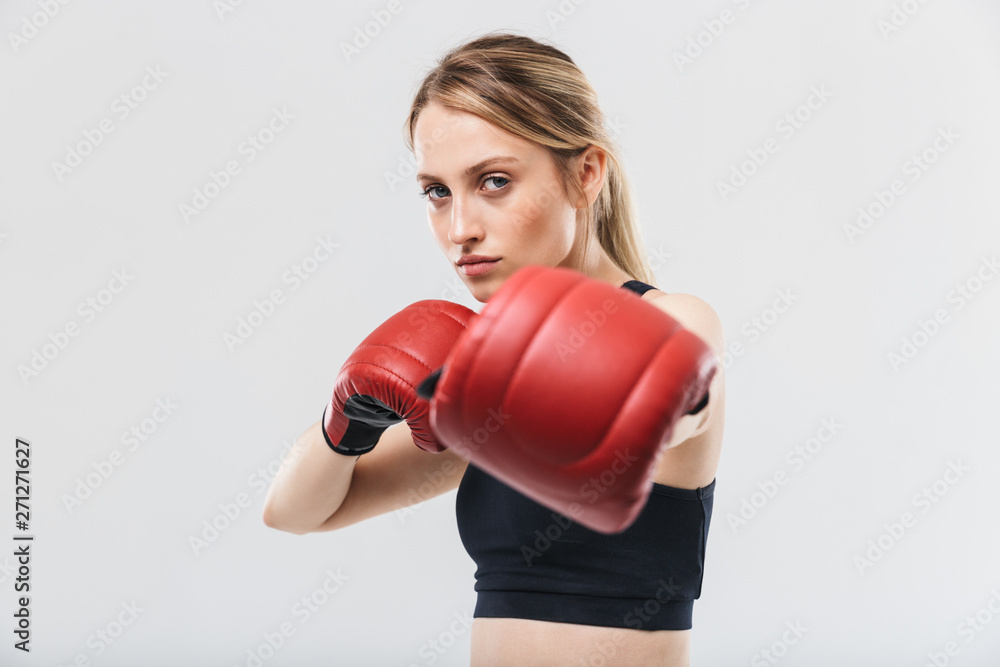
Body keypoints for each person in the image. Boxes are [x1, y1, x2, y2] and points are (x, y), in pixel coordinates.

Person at [263, 31, 726, 667]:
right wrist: (349, 421)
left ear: (585, 174)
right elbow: (295, 512)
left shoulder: (674, 319)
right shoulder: (482, 377)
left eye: (495, 181)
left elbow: (672, 405)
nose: (460, 230)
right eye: (437, 191)